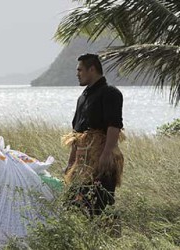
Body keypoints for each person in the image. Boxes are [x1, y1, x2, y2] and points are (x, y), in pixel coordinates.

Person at [63, 53, 124, 216]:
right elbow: (77, 134)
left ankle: (107, 240)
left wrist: (106, 154)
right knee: (72, 207)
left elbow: (114, 126)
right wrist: (71, 164)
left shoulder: (110, 93)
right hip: (82, 164)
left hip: (101, 162)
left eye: (80, 70)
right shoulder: (82, 98)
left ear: (92, 69)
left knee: (99, 208)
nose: (77, 74)